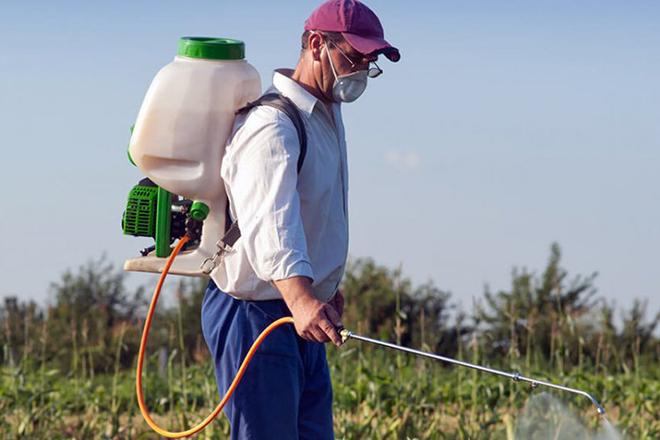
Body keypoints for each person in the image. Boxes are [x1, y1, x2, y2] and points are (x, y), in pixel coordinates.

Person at [201, 1, 400, 438]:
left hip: (297, 310)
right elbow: (274, 222)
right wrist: (302, 296)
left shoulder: (325, 115)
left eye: (369, 64)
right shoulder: (272, 125)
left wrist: (323, 286)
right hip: (257, 315)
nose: (361, 72)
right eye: (354, 58)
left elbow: (316, 212)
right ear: (315, 44)